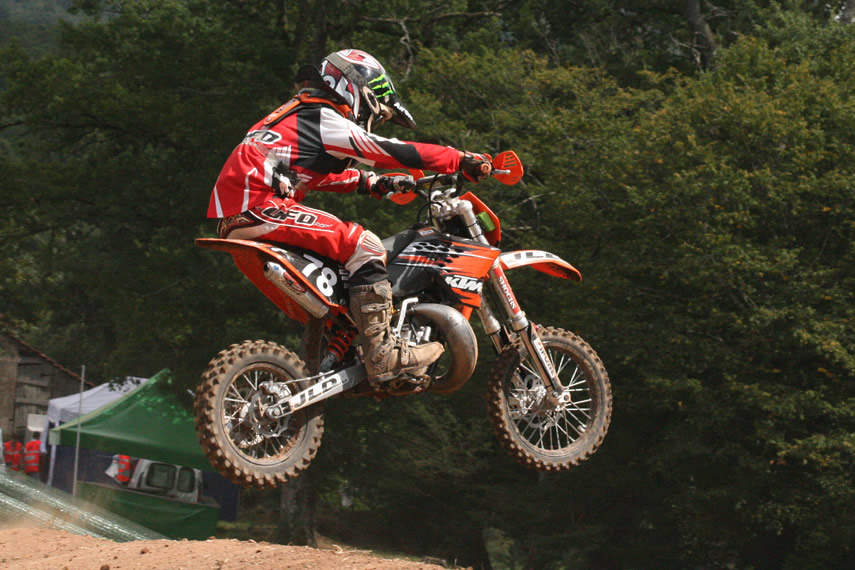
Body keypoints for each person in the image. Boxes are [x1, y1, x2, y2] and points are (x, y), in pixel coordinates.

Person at [208, 49, 492, 383]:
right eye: (380, 113)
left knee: (342, 278)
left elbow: (308, 174)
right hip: (263, 208)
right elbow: (385, 149)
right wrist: (458, 158)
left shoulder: (295, 115)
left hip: (240, 218)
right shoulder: (322, 116)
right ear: (360, 91)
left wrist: (372, 183)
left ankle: (333, 354)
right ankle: (384, 354)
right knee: (365, 245)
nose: (376, 119)